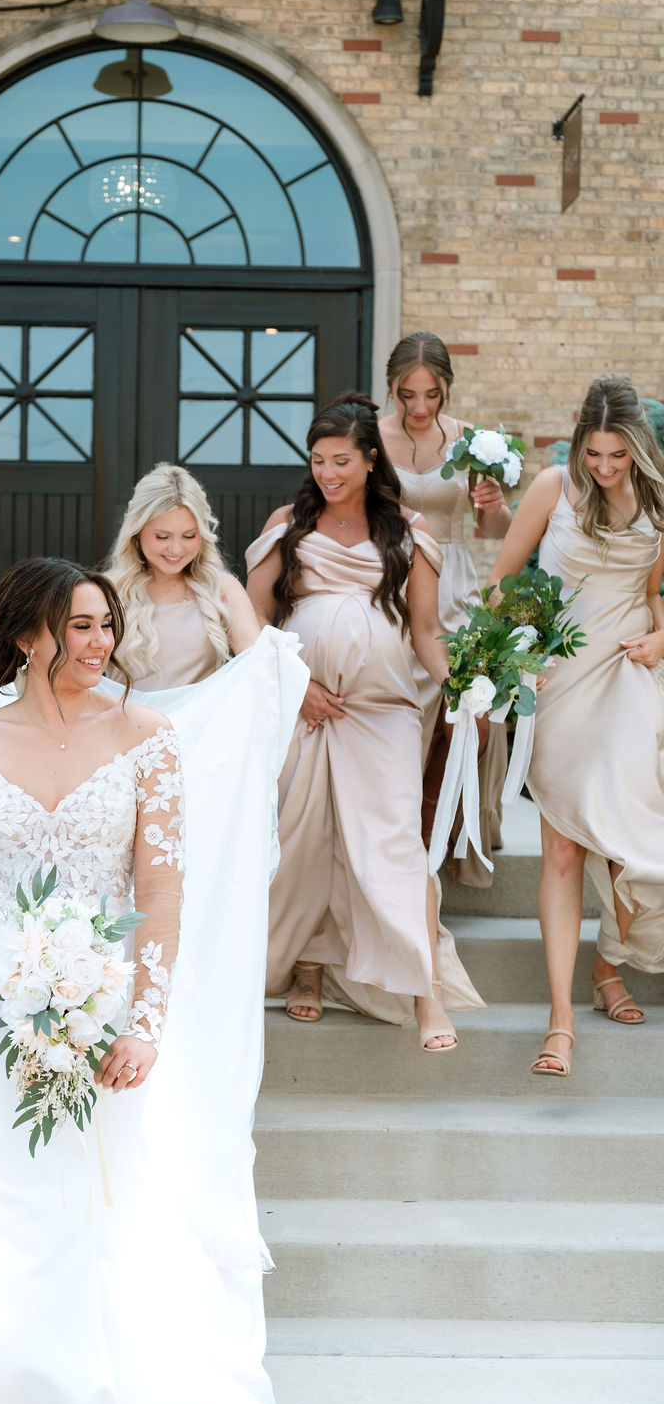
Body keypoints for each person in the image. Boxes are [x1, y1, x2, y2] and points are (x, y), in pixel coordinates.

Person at [0, 557, 292, 1404]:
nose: (102, 642)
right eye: (81, 626)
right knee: (4, 1198)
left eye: (106, 624)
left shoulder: (149, 737)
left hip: (109, 997)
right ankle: (15, 1400)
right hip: (1, 1009)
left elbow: (159, 888)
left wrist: (144, 1018)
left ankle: (110, 1390)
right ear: (32, 636)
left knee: (108, 1197)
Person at [246, 392, 483, 1045]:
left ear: (370, 459)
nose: (328, 473)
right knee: (304, 845)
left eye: (342, 461)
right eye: (319, 460)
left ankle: (426, 993)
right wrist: (296, 689)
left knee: (396, 847)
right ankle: (306, 966)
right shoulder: (287, 526)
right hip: (305, 715)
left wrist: (464, 687)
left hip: (382, 715)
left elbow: (428, 630)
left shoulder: (407, 533)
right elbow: (249, 626)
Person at [487, 374, 664, 1076]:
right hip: (557, 680)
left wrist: (660, 641)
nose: (604, 468)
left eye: (617, 455)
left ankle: (608, 962)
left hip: (626, 674)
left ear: (638, 449)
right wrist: (519, 641)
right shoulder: (551, 488)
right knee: (562, 850)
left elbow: (656, 600)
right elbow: (502, 581)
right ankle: (562, 1018)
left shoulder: (658, 501)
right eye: (594, 454)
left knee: (628, 841)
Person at [380, 331, 513, 885]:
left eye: (430, 395)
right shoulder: (372, 437)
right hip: (390, 581)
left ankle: (446, 842)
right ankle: (396, 841)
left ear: (446, 390)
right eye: (406, 394)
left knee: (469, 722)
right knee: (404, 715)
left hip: (455, 581)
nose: (418, 408)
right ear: (392, 388)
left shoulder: (472, 443)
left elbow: (495, 531)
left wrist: (495, 503)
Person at [106, 462, 260, 688]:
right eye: (162, 537)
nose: (176, 549)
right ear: (136, 533)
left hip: (202, 720)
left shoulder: (223, 587)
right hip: (125, 720)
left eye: (188, 536)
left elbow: (257, 663)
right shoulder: (107, 589)